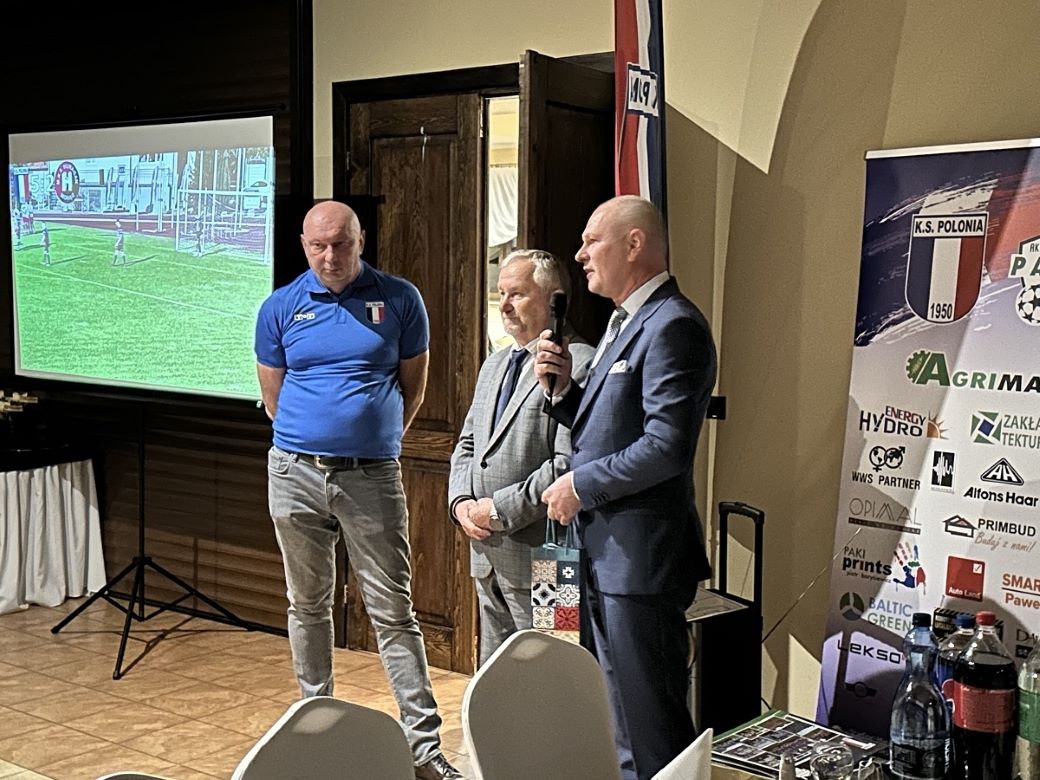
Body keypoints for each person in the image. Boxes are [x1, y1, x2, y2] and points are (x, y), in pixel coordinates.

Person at [254, 201, 462, 780]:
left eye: (341, 244)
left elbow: (413, 387)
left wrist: (373, 436)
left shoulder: (400, 299)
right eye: (318, 246)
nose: (330, 257)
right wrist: (315, 437)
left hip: (371, 477)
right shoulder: (279, 307)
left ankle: (424, 750)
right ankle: (317, 731)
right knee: (307, 605)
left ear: (361, 240)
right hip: (294, 474)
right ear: (304, 245)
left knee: (394, 612)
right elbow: (273, 398)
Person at [534, 195, 718, 780]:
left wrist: (580, 484)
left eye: (592, 241)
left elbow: (665, 447)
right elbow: (611, 429)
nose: (580, 254)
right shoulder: (624, 323)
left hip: (641, 565)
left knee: (653, 732)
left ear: (634, 245)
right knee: (618, 723)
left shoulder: (673, 325)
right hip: (602, 556)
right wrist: (566, 394)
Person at [448, 249, 594, 665]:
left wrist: (498, 510)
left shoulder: (581, 363)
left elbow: (569, 464)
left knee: (551, 672)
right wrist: (461, 504)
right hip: (487, 554)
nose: (505, 305)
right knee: (496, 679)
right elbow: (468, 443)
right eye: (502, 293)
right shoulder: (494, 364)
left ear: (554, 299)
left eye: (518, 294)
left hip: (549, 556)